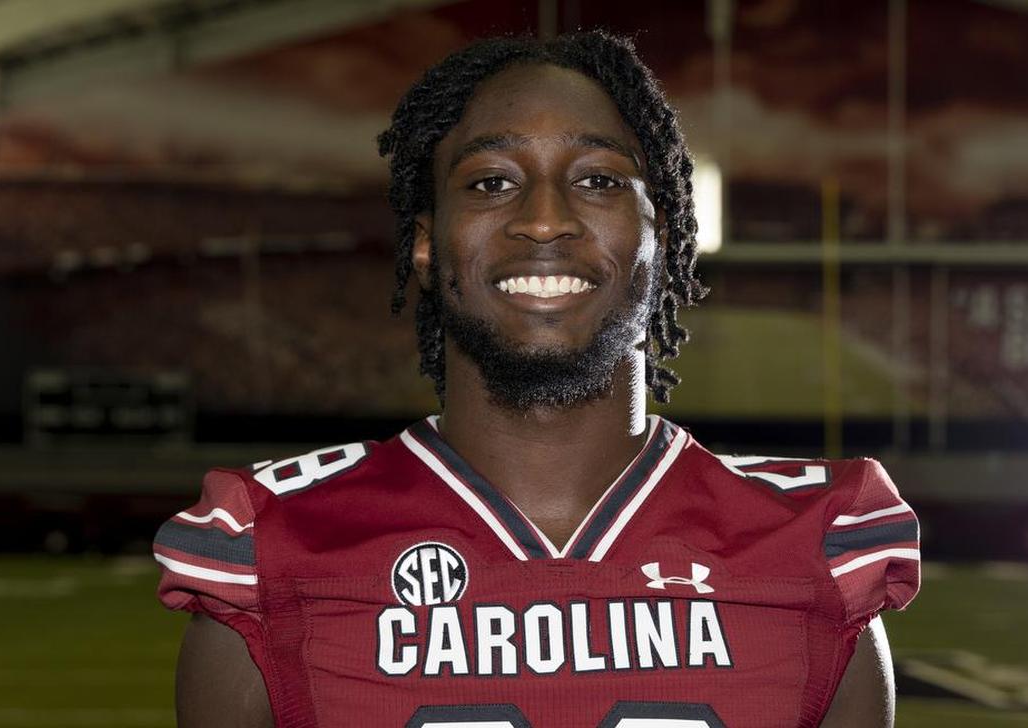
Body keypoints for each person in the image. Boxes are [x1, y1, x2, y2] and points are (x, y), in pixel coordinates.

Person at [153, 30, 919, 728]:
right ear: (425, 245)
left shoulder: (815, 555)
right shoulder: (276, 548)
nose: (545, 218)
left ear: (666, 233)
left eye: (599, 181)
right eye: (490, 182)